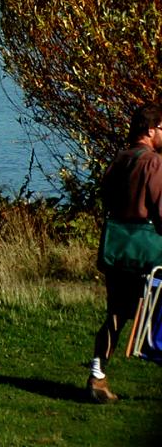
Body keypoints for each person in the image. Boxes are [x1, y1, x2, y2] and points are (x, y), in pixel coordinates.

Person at [88, 101, 162, 403]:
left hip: (118, 249)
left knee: (116, 316)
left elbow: (105, 197)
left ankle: (97, 375)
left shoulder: (119, 160)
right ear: (149, 129)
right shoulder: (154, 163)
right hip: (149, 254)